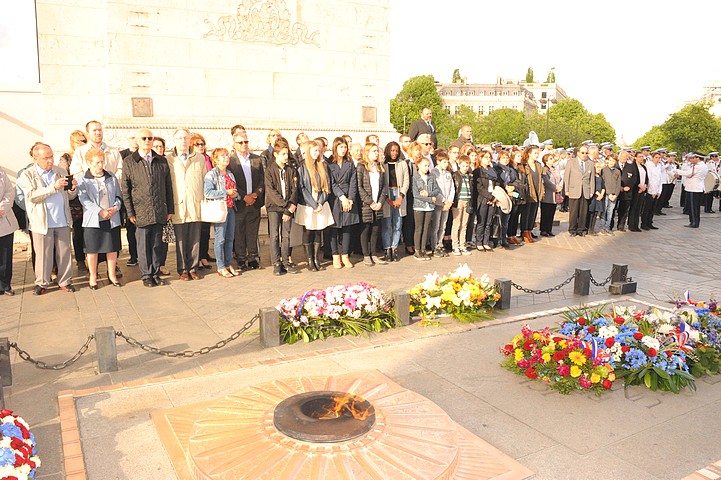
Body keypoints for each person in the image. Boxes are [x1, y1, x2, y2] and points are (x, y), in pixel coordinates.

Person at [18, 143, 78, 295]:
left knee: (64, 253)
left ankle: (65, 281)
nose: (50, 161)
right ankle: (42, 283)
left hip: (62, 219)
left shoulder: (60, 171)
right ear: (35, 158)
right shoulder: (27, 174)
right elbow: (31, 196)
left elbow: (70, 196)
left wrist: (72, 189)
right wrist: (53, 187)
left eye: (51, 156)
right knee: (43, 254)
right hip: (41, 222)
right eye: (46, 158)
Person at [122, 129, 174, 288]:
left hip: (159, 209)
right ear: (137, 140)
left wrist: (170, 209)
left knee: (157, 244)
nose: (147, 141)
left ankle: (156, 272)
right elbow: (126, 188)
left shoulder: (161, 161)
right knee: (143, 245)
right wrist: (130, 212)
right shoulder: (130, 161)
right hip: (140, 210)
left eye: (149, 138)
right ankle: (146, 274)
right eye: (143, 138)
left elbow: (168, 187)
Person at [76, 147, 122, 289]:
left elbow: (118, 195)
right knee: (92, 249)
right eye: (97, 163)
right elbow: (84, 200)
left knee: (112, 248)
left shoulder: (111, 177)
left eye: (102, 162)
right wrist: (100, 211)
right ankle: (93, 277)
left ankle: (112, 275)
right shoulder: (83, 179)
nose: (100, 165)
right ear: (89, 163)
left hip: (111, 218)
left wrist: (115, 207)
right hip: (93, 220)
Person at [166, 128, 206, 281]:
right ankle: (183, 269)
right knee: (181, 240)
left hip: (195, 204)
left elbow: (204, 180)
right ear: (174, 141)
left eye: (185, 138)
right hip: (179, 205)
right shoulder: (169, 159)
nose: (183, 141)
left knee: (195, 238)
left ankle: (194, 268)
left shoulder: (199, 158)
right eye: (179, 138)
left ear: (190, 140)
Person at [227, 129, 264, 270]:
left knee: (252, 232)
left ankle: (253, 257)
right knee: (239, 232)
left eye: (246, 142)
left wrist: (256, 194)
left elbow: (262, 179)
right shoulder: (230, 161)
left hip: (254, 202)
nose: (244, 144)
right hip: (239, 203)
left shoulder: (256, 159)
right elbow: (231, 182)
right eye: (240, 142)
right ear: (234, 144)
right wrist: (244, 197)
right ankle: (241, 258)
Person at [294, 141, 334, 271]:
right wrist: (313, 204)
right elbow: (302, 188)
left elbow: (326, 187)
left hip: (320, 203)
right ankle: (310, 260)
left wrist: (320, 203)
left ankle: (317, 259)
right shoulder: (302, 167)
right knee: (308, 231)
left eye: (319, 151)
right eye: (315, 151)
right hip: (308, 204)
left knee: (318, 231)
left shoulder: (322, 166)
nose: (317, 153)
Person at [264, 137, 299, 276]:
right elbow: (271, 191)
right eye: (283, 154)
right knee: (274, 235)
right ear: (275, 154)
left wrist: (290, 207)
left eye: (287, 153)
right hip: (274, 207)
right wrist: (285, 205)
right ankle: (276, 262)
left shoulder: (291, 169)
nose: (286, 156)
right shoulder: (270, 170)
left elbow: (295, 189)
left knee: (286, 235)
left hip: (288, 208)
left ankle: (285, 261)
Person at [204, 148, 239, 278]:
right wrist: (226, 192)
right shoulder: (211, 174)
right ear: (216, 159)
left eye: (227, 155)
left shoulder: (229, 174)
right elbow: (208, 193)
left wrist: (235, 194)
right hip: (220, 208)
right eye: (222, 156)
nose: (226, 157)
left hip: (231, 208)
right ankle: (220, 266)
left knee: (230, 238)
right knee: (220, 239)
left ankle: (229, 263)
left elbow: (234, 190)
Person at [327, 137, 360, 268]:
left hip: (348, 197)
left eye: (345, 147)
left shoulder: (350, 163)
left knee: (347, 227)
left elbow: (353, 182)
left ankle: (345, 255)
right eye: (341, 147)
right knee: (334, 228)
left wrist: (350, 199)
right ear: (335, 147)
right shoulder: (329, 163)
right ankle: (335, 256)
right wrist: (342, 197)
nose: (343, 149)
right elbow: (331, 182)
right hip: (336, 198)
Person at [61, 130, 88, 273]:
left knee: (90, 230)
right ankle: (80, 260)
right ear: (73, 142)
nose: (84, 143)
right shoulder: (66, 158)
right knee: (78, 230)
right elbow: (64, 176)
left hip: (90, 197)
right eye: (81, 141)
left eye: (85, 140)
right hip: (75, 198)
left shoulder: (89, 154)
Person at [357, 142, 388, 266]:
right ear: (367, 153)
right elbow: (359, 187)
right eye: (374, 151)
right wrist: (370, 202)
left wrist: (380, 202)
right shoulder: (361, 167)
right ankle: (366, 255)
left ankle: (373, 253)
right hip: (367, 204)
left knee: (376, 229)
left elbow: (384, 187)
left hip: (378, 203)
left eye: (377, 151)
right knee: (365, 229)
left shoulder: (380, 166)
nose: (376, 153)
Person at [190, 133, 214, 270]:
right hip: (197, 199)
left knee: (205, 230)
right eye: (197, 144)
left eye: (202, 144)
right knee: (197, 231)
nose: (200, 146)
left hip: (208, 200)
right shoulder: (192, 160)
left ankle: (204, 255)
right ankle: (197, 258)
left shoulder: (208, 159)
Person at [381, 141, 409, 262]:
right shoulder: (382, 164)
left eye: (396, 151)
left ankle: (394, 248)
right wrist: (386, 198)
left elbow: (406, 181)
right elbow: (381, 182)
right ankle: (387, 248)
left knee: (397, 224)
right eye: (392, 150)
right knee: (387, 224)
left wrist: (401, 197)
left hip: (399, 193)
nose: (394, 153)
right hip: (387, 194)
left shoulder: (402, 164)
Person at [411, 157, 439, 261]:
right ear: (418, 165)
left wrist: (429, 194)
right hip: (419, 206)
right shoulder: (415, 178)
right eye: (425, 165)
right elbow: (416, 194)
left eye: (428, 166)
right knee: (419, 228)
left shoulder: (431, 177)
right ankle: (417, 250)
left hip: (429, 207)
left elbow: (436, 190)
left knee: (426, 228)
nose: (427, 168)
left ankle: (423, 249)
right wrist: (430, 199)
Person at [563, 145, 594, 237]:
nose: (584, 155)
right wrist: (566, 190)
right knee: (574, 211)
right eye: (582, 153)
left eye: (586, 153)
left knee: (583, 211)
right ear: (578, 153)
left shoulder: (590, 163)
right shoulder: (571, 162)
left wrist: (591, 191)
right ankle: (572, 229)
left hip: (585, 190)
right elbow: (566, 177)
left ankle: (581, 229)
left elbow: (592, 179)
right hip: (574, 190)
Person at [430, 150, 454, 257]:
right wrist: (443, 200)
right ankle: (434, 246)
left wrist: (449, 200)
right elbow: (435, 189)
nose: (446, 164)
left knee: (443, 225)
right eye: (444, 162)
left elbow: (452, 188)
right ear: (438, 162)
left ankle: (440, 244)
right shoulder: (434, 173)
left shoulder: (448, 173)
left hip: (447, 204)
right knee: (435, 225)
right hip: (438, 203)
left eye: (447, 162)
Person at [473, 150, 498, 251]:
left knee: (489, 222)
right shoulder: (478, 171)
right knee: (481, 221)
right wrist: (489, 197)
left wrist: (494, 197)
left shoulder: (492, 171)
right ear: (480, 158)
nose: (488, 159)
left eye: (489, 157)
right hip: (482, 199)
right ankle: (479, 241)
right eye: (485, 157)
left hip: (493, 198)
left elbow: (497, 184)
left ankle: (486, 241)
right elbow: (479, 187)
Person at [675, 152, 708, 228]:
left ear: (697, 158)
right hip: (698, 187)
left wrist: (677, 171)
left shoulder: (697, 167)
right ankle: (695, 222)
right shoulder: (704, 166)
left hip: (694, 188)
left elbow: (688, 174)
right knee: (696, 207)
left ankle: (693, 222)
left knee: (693, 207)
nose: (691, 160)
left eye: (693, 158)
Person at [518, 146, 543, 243]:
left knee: (533, 213)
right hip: (528, 192)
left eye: (538, 153)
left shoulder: (538, 165)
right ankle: (524, 232)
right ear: (529, 154)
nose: (537, 155)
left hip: (537, 191)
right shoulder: (524, 165)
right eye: (535, 153)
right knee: (526, 213)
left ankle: (529, 230)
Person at [0, 169, 19, 295]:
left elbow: (9, 192)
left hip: (3, 218)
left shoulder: (1, 173)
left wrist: (2, 208)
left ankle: (5, 285)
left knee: (5, 255)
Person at [451, 155, 473, 255]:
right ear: (459, 165)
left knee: (464, 224)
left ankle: (462, 245)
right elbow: (454, 189)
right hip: (458, 201)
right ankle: (455, 246)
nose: (465, 168)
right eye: (463, 166)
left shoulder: (469, 176)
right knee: (457, 224)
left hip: (467, 201)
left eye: (467, 166)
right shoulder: (455, 175)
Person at [539, 153, 562, 237]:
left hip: (555, 194)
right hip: (548, 194)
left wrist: (560, 186)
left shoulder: (555, 169)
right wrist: (555, 187)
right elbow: (546, 180)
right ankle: (543, 229)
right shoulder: (544, 169)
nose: (553, 160)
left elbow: (560, 178)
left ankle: (549, 229)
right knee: (545, 212)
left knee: (552, 212)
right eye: (551, 159)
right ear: (546, 161)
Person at [599, 154, 621, 235]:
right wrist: (608, 193)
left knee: (610, 211)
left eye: (613, 161)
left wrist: (615, 194)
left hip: (614, 195)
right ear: (607, 161)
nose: (612, 162)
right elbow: (603, 183)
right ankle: (602, 227)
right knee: (604, 211)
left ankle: (607, 227)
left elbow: (618, 184)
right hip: (606, 194)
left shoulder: (617, 171)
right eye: (610, 160)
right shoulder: (603, 170)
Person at [641, 151, 664, 230]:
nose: (658, 159)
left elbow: (660, 179)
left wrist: (659, 191)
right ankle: (644, 223)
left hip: (656, 190)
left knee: (652, 208)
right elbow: (649, 179)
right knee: (647, 208)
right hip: (650, 190)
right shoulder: (649, 166)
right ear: (652, 158)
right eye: (656, 157)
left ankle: (650, 222)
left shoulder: (659, 166)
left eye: (659, 158)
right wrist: (652, 191)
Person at [587, 161, 606, 236]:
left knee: (596, 213)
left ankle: (592, 228)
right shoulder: (592, 177)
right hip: (594, 197)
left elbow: (603, 187)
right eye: (597, 167)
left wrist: (602, 194)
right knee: (591, 213)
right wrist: (597, 193)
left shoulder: (600, 177)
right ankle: (589, 228)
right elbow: (592, 187)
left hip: (599, 197)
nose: (599, 168)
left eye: (599, 167)